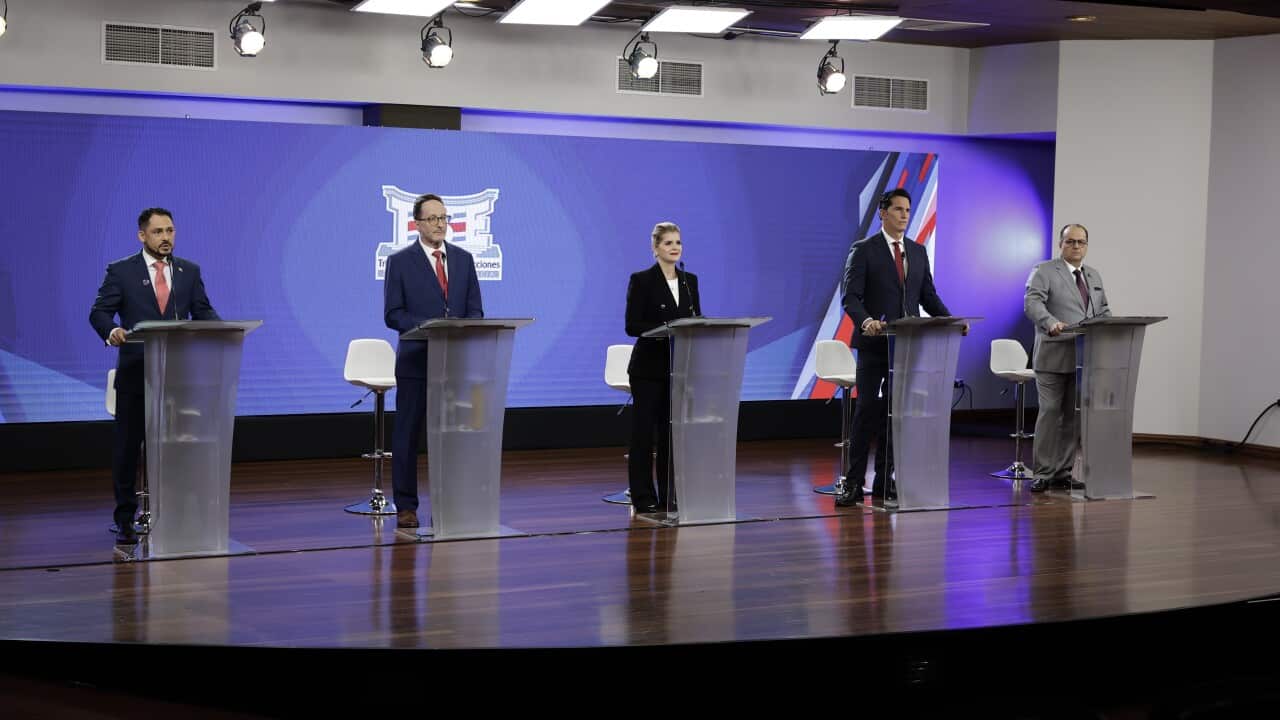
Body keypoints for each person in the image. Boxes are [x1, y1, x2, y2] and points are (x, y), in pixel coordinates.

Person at [89, 208, 220, 544]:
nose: (166, 238)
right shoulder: (121, 271)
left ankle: (176, 516)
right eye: (159, 232)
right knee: (128, 449)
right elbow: (99, 312)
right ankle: (125, 520)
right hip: (136, 373)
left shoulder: (188, 272)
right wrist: (113, 330)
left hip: (177, 375)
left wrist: (222, 330)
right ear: (142, 236)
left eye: (171, 231)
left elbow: (202, 312)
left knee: (175, 450)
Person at [837, 188, 957, 506]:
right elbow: (850, 296)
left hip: (907, 346)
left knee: (896, 414)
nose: (904, 215)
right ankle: (851, 482)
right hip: (875, 345)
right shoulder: (863, 249)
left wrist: (950, 320)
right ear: (883, 212)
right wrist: (866, 322)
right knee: (866, 411)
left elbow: (927, 296)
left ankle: (884, 481)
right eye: (898, 209)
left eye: (907, 210)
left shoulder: (917, 252)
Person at [383, 193, 483, 528]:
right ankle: (406, 506)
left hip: (454, 364)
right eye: (433, 218)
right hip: (415, 362)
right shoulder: (400, 262)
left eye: (444, 218)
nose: (441, 224)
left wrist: (460, 329)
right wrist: (429, 329)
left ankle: (449, 502)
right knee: (408, 436)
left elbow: (475, 311)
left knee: (452, 438)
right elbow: (393, 314)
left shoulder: (464, 259)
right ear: (417, 223)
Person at [1023, 223, 1111, 493]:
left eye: (1081, 242)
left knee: (1073, 417)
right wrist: (1050, 322)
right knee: (1050, 413)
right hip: (1052, 354)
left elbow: (1103, 310)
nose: (1076, 247)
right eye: (1070, 242)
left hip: (1083, 358)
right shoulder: (1045, 270)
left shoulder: (1093, 276)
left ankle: (1062, 472)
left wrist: (1110, 328)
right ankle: (1043, 472)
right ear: (1060, 244)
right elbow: (1032, 302)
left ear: (1086, 246)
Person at [624, 222, 701, 514]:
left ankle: (671, 495)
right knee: (644, 434)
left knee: (672, 434)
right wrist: (667, 328)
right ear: (655, 248)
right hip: (648, 369)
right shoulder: (642, 280)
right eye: (668, 242)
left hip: (678, 368)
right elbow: (632, 325)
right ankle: (643, 497)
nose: (674, 247)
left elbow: (696, 319)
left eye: (678, 242)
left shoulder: (689, 281)